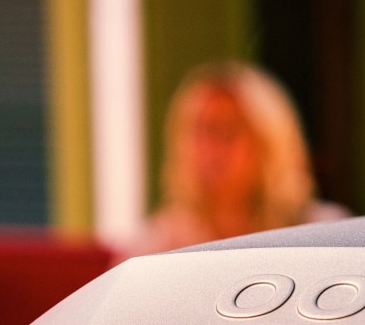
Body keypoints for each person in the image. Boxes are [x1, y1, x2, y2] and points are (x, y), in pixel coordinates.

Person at [131, 62, 346, 253]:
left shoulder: (321, 233)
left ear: (268, 143)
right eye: (199, 131)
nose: (210, 147)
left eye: (227, 130)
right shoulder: (159, 246)